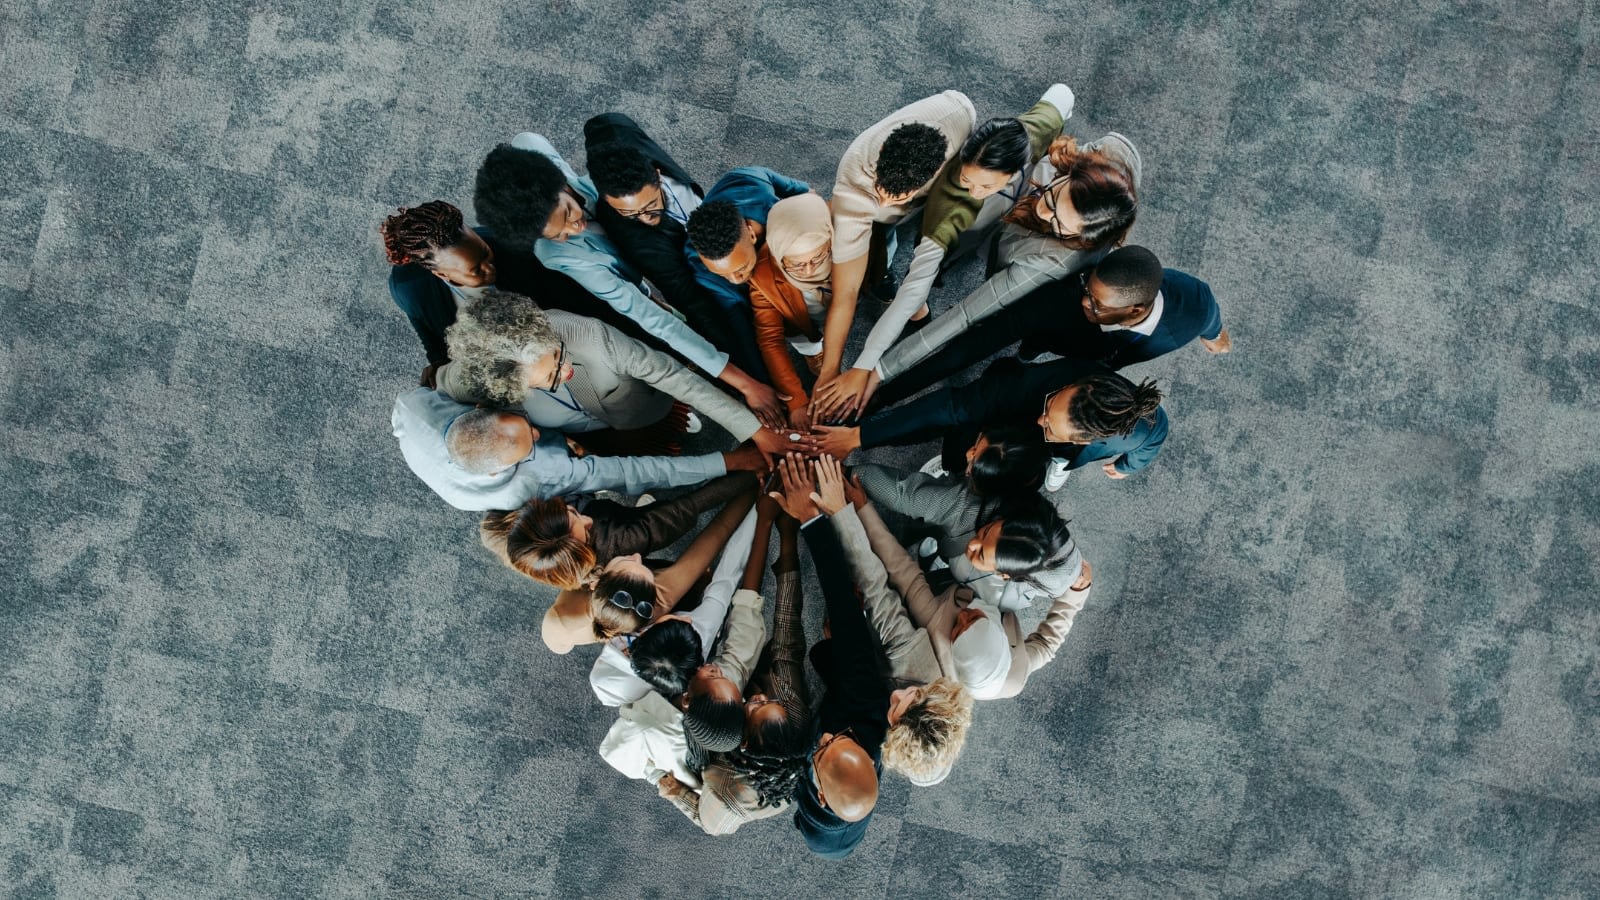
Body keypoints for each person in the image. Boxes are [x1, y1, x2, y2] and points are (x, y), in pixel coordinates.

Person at [821, 130, 1143, 420]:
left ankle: (877, 399)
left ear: (1082, 235)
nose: (1043, 210)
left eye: (1060, 221)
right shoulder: (1114, 148)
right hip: (1022, 230)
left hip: (1036, 287)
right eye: (1056, 195)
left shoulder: (1057, 261)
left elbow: (963, 315)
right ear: (1075, 170)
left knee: (966, 344)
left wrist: (877, 372)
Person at [472, 135, 784, 427]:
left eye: (568, 212)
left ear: (561, 184)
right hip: (628, 297)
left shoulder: (574, 176)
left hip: (666, 253)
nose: (575, 228)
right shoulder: (557, 255)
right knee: (672, 336)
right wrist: (745, 383)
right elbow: (650, 318)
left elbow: (528, 139)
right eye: (560, 233)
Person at [814, 85, 1075, 415]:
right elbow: (908, 292)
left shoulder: (1023, 133)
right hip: (961, 230)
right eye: (968, 180)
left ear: (1015, 169)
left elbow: (1062, 94)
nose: (975, 191)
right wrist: (863, 365)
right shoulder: (949, 206)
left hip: (1015, 212)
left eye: (985, 185)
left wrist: (1063, 117)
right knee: (934, 267)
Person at [433, 289, 797, 460]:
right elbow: (439, 383)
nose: (568, 369)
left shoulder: (591, 336)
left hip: (637, 408)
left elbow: (672, 376)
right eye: (551, 377)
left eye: (558, 356)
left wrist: (752, 430)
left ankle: (675, 422)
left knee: (660, 415)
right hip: (580, 433)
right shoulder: (475, 375)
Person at [868, 245, 1231, 401]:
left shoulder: (1194, 305)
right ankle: (1031, 349)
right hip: (1050, 326)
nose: (1084, 300)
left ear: (1136, 310)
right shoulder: (1065, 298)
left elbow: (1211, 319)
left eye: (1096, 302)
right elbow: (964, 350)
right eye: (1088, 289)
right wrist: (882, 390)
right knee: (1015, 343)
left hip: (1095, 358)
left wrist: (1215, 338)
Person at [811, 91, 978, 418]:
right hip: (858, 208)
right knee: (875, 242)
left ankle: (897, 283)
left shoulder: (960, 117)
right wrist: (830, 371)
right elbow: (845, 295)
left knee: (917, 244)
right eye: (882, 191)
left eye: (899, 196)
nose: (885, 203)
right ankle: (882, 276)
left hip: (934, 195)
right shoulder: (854, 188)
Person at [813, 464, 975, 786]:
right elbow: (879, 586)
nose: (894, 700)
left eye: (895, 713)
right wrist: (847, 512)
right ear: (926, 693)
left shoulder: (910, 740)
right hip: (928, 605)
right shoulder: (925, 666)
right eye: (907, 698)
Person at [597, 499, 774, 791]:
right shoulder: (712, 658)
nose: (713, 669)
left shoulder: (616, 692)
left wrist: (658, 778)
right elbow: (737, 592)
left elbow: (613, 752)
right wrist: (762, 515)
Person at [764, 454, 889, 858]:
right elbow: (838, 596)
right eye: (838, 737)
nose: (821, 736)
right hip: (852, 675)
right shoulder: (868, 699)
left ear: (816, 791)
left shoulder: (826, 791)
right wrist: (810, 519)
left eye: (820, 748)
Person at [656, 514, 812, 834]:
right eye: (768, 700)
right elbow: (788, 629)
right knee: (781, 647)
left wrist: (678, 795)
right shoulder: (790, 706)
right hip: (762, 679)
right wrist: (787, 541)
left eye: (755, 706)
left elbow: (708, 823)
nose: (758, 697)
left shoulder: (727, 794)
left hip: (714, 763)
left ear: (741, 741)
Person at [379, 201, 649, 381]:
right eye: (476, 270)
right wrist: (438, 362)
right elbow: (427, 329)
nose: (490, 267)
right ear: (441, 274)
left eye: (485, 253)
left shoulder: (515, 252)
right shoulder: (409, 287)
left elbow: (585, 306)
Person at [813, 355, 1168, 492]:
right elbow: (950, 407)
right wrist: (860, 436)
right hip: (1006, 412)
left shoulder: (1145, 426)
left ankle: (1061, 462)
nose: (1041, 417)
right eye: (1050, 407)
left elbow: (1153, 442)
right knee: (964, 446)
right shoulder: (1023, 390)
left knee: (1036, 466)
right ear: (1078, 385)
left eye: (1049, 426)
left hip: (1063, 453)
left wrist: (1125, 467)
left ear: (1082, 439)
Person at [391, 388, 764, 512]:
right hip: (551, 487)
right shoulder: (543, 474)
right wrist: (729, 461)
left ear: (479, 409)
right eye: (529, 444)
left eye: (528, 429)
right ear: (496, 472)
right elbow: (635, 472)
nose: (538, 434)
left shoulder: (413, 407)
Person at [582, 114, 752, 361]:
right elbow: (689, 298)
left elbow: (614, 127)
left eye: (651, 204)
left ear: (657, 174)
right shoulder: (636, 240)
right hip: (703, 280)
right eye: (629, 213)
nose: (644, 218)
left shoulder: (640, 152)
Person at [581, 502, 764, 705]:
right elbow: (726, 580)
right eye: (687, 624)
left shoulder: (617, 627)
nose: (686, 619)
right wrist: (759, 513)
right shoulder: (693, 649)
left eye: (676, 622)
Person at [479, 472, 751, 590]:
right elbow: (688, 506)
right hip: (634, 532)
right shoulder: (625, 542)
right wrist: (750, 474)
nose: (587, 520)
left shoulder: (506, 528)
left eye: (572, 513)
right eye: (584, 531)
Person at [681, 165, 814, 377]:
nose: (735, 280)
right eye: (723, 273)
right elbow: (739, 323)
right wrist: (762, 381)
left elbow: (803, 191)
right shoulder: (698, 263)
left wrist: (807, 201)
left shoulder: (753, 182)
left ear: (752, 235)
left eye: (741, 268)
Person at [746, 193, 835, 432]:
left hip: (833, 307)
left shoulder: (848, 237)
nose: (808, 271)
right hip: (798, 324)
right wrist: (796, 403)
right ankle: (814, 353)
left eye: (819, 257)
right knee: (806, 342)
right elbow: (771, 339)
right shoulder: (761, 276)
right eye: (796, 264)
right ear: (777, 255)